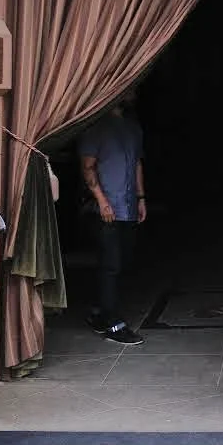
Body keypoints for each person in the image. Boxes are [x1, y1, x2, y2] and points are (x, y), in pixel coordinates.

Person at [78, 87, 147, 344]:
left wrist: (141, 198)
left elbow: (137, 163)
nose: (133, 93)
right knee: (111, 264)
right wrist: (102, 202)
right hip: (104, 209)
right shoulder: (96, 127)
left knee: (122, 261)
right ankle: (113, 323)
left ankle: (99, 312)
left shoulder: (133, 127)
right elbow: (87, 166)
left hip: (127, 206)